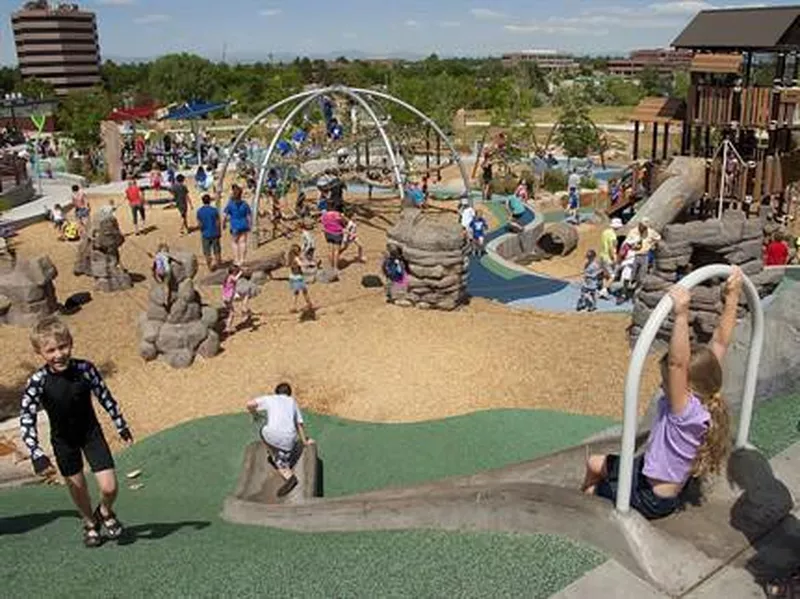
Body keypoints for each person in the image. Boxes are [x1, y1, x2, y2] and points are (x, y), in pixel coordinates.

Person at [583, 267, 743, 520]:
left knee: (593, 489)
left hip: (651, 498)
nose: (663, 387)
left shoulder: (685, 411)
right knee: (594, 463)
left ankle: (585, 520)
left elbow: (677, 364)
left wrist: (681, 314)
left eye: (666, 383)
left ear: (686, 387)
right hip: (656, 478)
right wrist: (732, 296)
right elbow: (721, 341)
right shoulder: (705, 395)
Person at [20, 316, 134, 547]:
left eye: (63, 347)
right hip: (64, 442)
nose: (59, 354)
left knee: (109, 487)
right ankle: (90, 523)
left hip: (91, 435)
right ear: (39, 352)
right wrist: (36, 454)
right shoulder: (37, 381)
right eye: (50, 350)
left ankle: (104, 511)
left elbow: (105, 397)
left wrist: (120, 424)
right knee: (78, 488)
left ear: (71, 343)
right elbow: (26, 418)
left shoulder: (85, 369)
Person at [245, 382, 313, 497]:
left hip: (274, 437)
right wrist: (305, 442)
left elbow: (249, 404)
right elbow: (299, 424)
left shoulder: (270, 399)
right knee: (281, 442)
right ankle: (278, 456)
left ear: (276, 392)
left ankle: (287, 473)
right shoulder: (292, 402)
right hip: (290, 441)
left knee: (263, 431)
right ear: (289, 394)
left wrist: (254, 414)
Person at [625, 218, 661, 286]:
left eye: (645, 227)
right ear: (640, 224)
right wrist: (632, 245)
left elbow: (658, 238)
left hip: (645, 255)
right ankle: (628, 287)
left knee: (642, 274)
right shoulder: (633, 231)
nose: (644, 228)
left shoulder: (650, 232)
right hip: (634, 255)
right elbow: (627, 242)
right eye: (643, 226)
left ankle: (639, 287)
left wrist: (653, 244)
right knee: (631, 273)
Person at [223, 184, 251, 266]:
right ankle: (242, 259)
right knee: (243, 242)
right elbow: (248, 216)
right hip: (244, 224)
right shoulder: (245, 204)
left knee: (234, 242)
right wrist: (249, 225)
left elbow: (225, 215)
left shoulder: (230, 204)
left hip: (235, 225)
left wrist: (224, 223)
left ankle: (236, 259)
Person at [598, 217, 623, 299]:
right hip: (608, 258)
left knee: (606, 275)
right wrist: (615, 259)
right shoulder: (613, 236)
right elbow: (612, 249)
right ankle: (604, 290)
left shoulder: (605, 232)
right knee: (613, 276)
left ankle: (603, 289)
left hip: (602, 255)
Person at [222, 264, 251, 333]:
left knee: (244, 296)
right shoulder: (230, 277)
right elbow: (235, 279)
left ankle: (244, 309)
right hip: (228, 297)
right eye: (236, 272)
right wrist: (240, 273)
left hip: (228, 296)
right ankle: (228, 327)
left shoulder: (227, 277)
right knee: (232, 313)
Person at [196, 194, 222, 271]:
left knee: (207, 252)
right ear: (210, 201)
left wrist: (201, 230)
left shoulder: (199, 211)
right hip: (214, 233)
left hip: (205, 234)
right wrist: (219, 232)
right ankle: (218, 265)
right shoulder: (214, 210)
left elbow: (200, 224)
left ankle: (209, 266)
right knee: (217, 250)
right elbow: (218, 223)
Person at [287, 244, 314, 314]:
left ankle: (295, 306)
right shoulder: (296, 259)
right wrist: (310, 264)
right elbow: (301, 264)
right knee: (304, 291)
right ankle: (309, 303)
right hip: (298, 277)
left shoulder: (290, 259)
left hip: (292, 277)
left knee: (296, 292)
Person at [320, 206, 345, 270]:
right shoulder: (337, 214)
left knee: (330, 250)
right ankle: (335, 267)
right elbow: (343, 222)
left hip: (328, 233)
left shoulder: (324, 214)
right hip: (337, 233)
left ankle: (331, 266)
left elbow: (322, 223)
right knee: (336, 251)